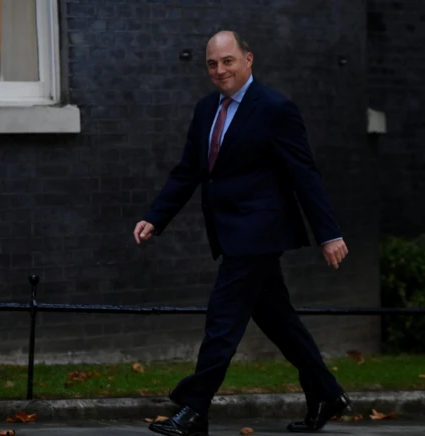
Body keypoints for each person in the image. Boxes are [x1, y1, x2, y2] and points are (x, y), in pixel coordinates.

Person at [134, 30, 352, 436]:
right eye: (212, 63)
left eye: (228, 60)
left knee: (223, 319)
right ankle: (327, 393)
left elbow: (304, 173)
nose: (220, 70)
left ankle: (194, 409)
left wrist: (329, 233)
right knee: (279, 320)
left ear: (248, 60)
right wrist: (156, 217)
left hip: (259, 232)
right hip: (230, 231)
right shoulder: (205, 110)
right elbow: (189, 172)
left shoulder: (275, 108)